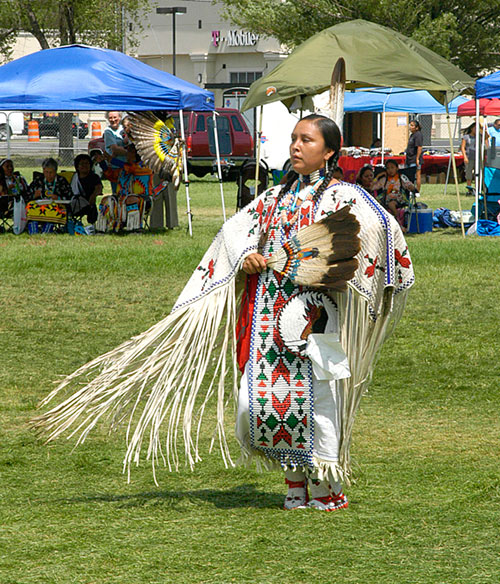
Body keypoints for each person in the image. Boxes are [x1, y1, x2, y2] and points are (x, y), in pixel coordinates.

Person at [35, 115, 414, 512]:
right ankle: (294, 481)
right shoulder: (276, 198)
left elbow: (382, 232)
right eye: (294, 139)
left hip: (316, 317)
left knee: (320, 399)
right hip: (268, 315)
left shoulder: (345, 198)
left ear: (330, 152)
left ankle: (325, 486)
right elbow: (234, 233)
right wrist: (246, 259)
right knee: (264, 400)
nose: (296, 146)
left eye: (307, 140)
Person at [94, 144, 163, 232]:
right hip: (121, 199)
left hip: (143, 199)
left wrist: (111, 159)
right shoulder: (123, 170)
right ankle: (102, 228)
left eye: (129, 152)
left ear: (137, 154)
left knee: (131, 199)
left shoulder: (145, 167)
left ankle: (134, 228)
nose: (126, 154)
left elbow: (133, 169)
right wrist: (102, 162)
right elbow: (110, 175)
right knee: (105, 200)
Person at [26, 158, 73, 233]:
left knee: (53, 208)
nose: (48, 175)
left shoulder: (61, 181)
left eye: (51, 172)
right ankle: (33, 230)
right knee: (30, 206)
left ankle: (47, 230)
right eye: (46, 172)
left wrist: (58, 197)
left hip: (56, 205)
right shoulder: (38, 180)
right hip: (40, 205)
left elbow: (70, 196)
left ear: (55, 172)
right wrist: (35, 195)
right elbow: (27, 195)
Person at [70, 154, 103, 225]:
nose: (84, 166)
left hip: (89, 203)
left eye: (87, 163)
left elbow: (99, 188)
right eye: (82, 164)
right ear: (77, 166)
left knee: (92, 208)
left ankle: (92, 225)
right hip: (73, 203)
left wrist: (94, 195)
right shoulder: (73, 178)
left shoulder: (94, 177)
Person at [0, 158, 29, 234]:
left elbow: (27, 192)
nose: (10, 168)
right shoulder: (1, 181)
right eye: (7, 166)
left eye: (11, 166)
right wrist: (6, 190)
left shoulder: (19, 179)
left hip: (20, 204)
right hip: (4, 206)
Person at [405, 120, 423, 194]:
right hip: (409, 158)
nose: (410, 127)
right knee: (409, 175)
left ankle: (417, 191)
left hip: (415, 159)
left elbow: (419, 147)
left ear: (417, 127)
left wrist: (417, 159)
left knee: (417, 175)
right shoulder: (412, 135)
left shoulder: (418, 135)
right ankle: (410, 190)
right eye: (410, 125)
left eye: (412, 125)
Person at [461, 123, 478, 195]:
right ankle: (469, 189)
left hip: (477, 157)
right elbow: (462, 147)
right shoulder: (466, 137)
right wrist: (465, 157)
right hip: (469, 157)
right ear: (472, 128)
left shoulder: (479, 136)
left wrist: (484, 129)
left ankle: (477, 189)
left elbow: (487, 137)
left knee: (478, 173)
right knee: (469, 173)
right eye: (475, 128)